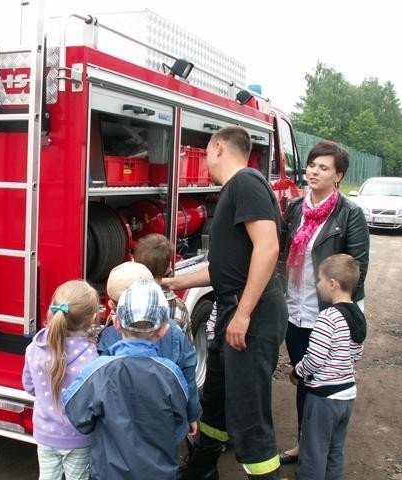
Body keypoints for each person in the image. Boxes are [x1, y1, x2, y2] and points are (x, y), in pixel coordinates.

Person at [164, 126, 287, 479]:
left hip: (252, 313)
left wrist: (244, 313)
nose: (204, 162)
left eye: (204, 153)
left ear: (218, 148)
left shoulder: (246, 182)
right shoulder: (235, 189)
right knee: (215, 403)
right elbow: (223, 269)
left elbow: (268, 248)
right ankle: (202, 470)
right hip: (233, 308)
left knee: (249, 416)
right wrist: (175, 282)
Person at [279, 140, 370, 466]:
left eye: (324, 167)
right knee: (304, 381)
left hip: (326, 315)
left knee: (322, 382)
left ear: (339, 176)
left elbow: (356, 270)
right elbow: (279, 256)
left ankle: (319, 452)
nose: (314, 171)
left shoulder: (350, 214)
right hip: (294, 310)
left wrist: (339, 313)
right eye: (312, 165)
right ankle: (306, 444)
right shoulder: (294, 209)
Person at [63, 279, 196, 480]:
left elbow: (76, 413)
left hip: (109, 473)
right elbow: (179, 422)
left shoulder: (99, 370)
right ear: (164, 329)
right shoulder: (171, 374)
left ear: (116, 323)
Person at [289, 254, 366, 480]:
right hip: (346, 395)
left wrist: (297, 372)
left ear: (332, 284)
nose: (317, 284)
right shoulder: (358, 316)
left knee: (313, 452)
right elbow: (355, 354)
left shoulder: (327, 317)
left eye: (320, 279)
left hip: (324, 398)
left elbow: (315, 357)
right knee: (334, 450)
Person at [97, 260, 201, 426]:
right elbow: (187, 372)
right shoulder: (172, 330)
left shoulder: (107, 337)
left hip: (120, 431)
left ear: (111, 304)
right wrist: (191, 414)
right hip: (165, 426)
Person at [22, 280, 100, 480]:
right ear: (92, 319)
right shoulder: (92, 359)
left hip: (44, 433)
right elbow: (95, 403)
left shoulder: (34, 349)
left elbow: (29, 387)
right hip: (79, 438)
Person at [132, 233, 192, 341]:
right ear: (168, 267)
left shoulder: (126, 299)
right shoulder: (179, 307)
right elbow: (187, 348)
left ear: (135, 263)